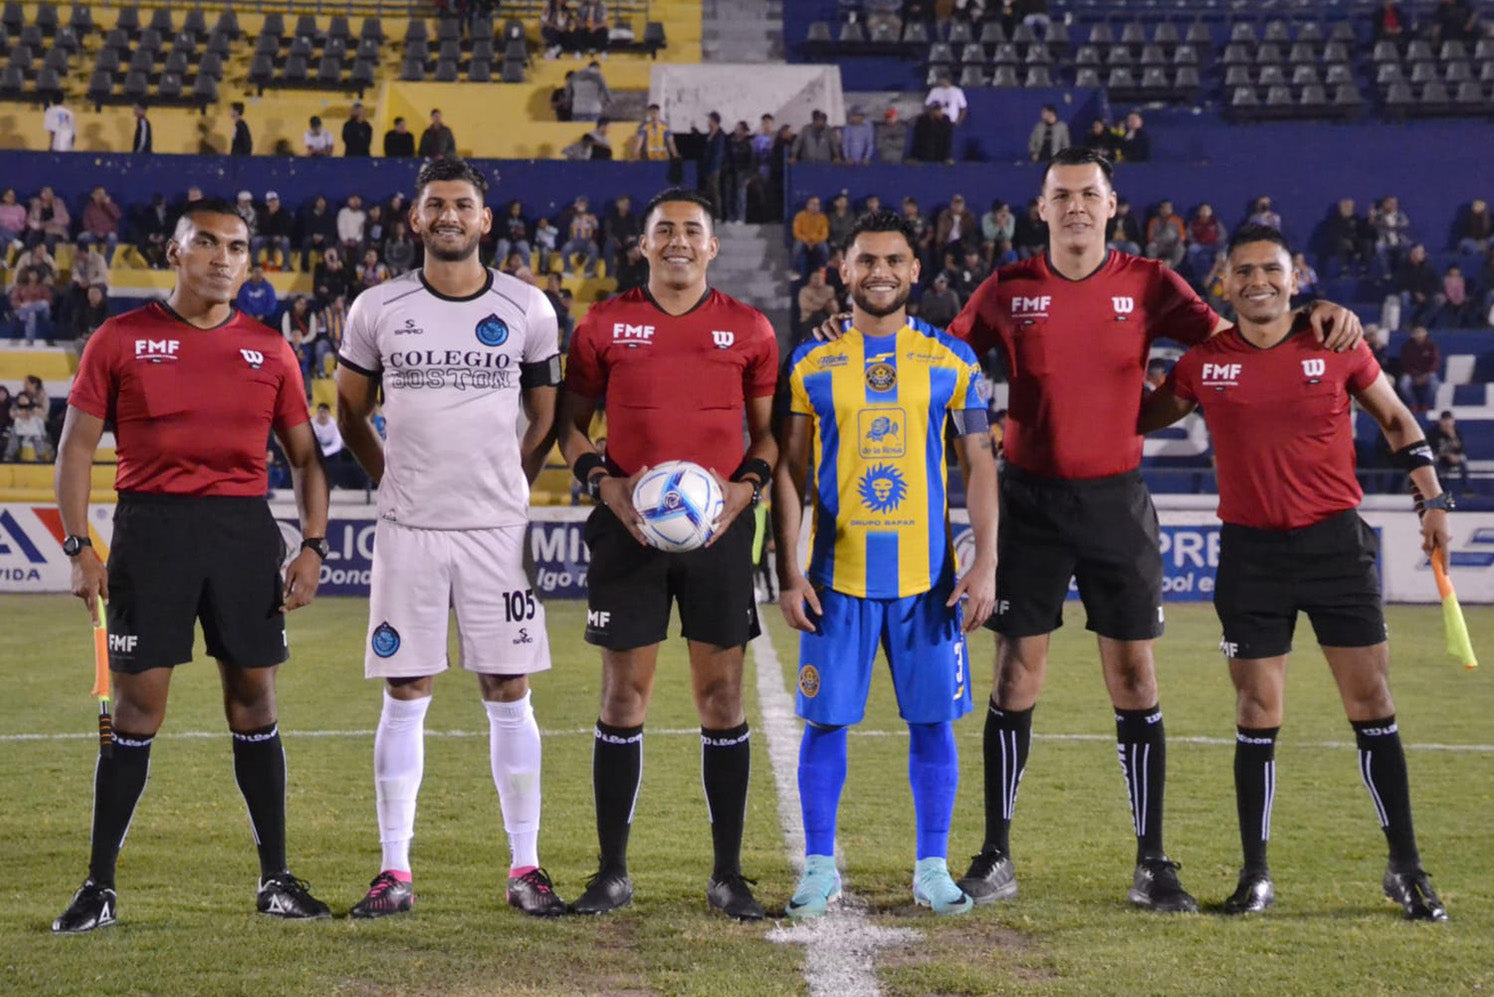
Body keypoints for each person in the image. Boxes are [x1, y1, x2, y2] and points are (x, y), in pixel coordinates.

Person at [844, 147, 1363, 912]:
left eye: (1090, 193)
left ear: (1111, 204)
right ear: (1042, 206)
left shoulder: (1150, 283)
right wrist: (854, 325)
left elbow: (1245, 333)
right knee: (1017, 674)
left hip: (1117, 503)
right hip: (1029, 504)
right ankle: (995, 855)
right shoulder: (1010, 287)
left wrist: (1316, 310)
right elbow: (937, 357)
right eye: (1063, 195)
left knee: (1135, 678)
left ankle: (1152, 862)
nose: (1077, 205)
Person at [1140, 224, 1450, 922]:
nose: (1258, 282)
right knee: (1256, 711)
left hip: (1335, 548)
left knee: (1371, 701)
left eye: (1271, 270)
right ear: (1225, 282)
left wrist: (1432, 496)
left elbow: (1398, 421)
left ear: (1295, 274)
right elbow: (1136, 416)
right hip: (1250, 555)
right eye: (1243, 271)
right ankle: (1256, 875)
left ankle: (1407, 867)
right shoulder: (1203, 364)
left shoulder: (1335, 341)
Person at [50, 197, 331, 934]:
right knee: (139, 709)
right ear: (174, 253)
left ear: (248, 263)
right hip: (151, 532)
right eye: (204, 243)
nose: (220, 257)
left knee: (255, 702)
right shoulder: (120, 338)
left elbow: (305, 457)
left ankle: (276, 878)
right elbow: (75, 449)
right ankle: (99, 887)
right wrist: (80, 547)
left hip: (243, 535)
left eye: (235, 247)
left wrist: (313, 544)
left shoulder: (270, 349)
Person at [334, 159, 566, 918]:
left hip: (499, 534)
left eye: (462, 204)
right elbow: (349, 411)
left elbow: (546, 415)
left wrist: (511, 478)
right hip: (409, 530)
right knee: (406, 690)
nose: (449, 216)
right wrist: (388, 477)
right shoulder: (378, 306)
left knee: (509, 689)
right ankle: (393, 870)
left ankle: (526, 864)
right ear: (415, 219)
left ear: (485, 219)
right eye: (435, 204)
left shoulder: (528, 306)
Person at [557, 188, 778, 920]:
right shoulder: (604, 324)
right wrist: (607, 486)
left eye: (692, 231)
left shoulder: (748, 329)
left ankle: (728, 875)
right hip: (627, 532)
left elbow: (770, 436)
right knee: (624, 696)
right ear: (643, 245)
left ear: (712, 246)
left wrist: (744, 492)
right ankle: (612, 872)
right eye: (664, 231)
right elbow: (571, 427)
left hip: (718, 536)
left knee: (722, 698)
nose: (678, 241)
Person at [774, 210, 997, 919]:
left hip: (926, 586)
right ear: (843, 270)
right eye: (866, 259)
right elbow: (789, 471)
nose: (880, 271)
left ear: (914, 270)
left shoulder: (953, 360)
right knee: (826, 723)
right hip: (835, 581)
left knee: (934, 724)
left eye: (893, 260)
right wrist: (789, 569)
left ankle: (932, 868)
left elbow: (981, 465)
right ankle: (818, 867)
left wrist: (985, 562)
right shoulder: (811, 363)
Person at [1396, 325, 1441, 411]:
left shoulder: (1431, 346)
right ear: (1413, 335)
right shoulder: (1407, 346)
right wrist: (1415, 375)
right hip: (1412, 374)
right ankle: (1413, 404)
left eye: (1421, 333)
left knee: (1435, 385)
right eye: (1417, 333)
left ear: (1425, 334)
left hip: (1428, 373)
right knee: (1403, 384)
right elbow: (1405, 363)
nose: (1419, 336)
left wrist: (1426, 375)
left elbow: (1435, 362)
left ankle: (1426, 405)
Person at [1428, 409, 1470, 495]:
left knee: (1463, 460)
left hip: (1452, 459)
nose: (1447, 423)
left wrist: (1452, 436)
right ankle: (1438, 490)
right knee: (1436, 463)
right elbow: (1431, 450)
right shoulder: (1433, 433)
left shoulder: (1456, 433)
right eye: (1445, 420)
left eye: (1449, 420)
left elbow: (1460, 450)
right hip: (1439, 458)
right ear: (1440, 421)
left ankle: (1466, 489)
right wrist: (1446, 455)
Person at [77, 187, 123, 266]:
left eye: (103, 194)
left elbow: (118, 217)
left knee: (113, 237)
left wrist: (108, 204)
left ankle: (106, 263)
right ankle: (87, 261)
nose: (101, 196)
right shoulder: (89, 208)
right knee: (82, 237)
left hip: (108, 234)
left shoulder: (110, 206)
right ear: (93, 196)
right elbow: (86, 225)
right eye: (99, 194)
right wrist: (96, 232)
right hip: (94, 234)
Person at [3, 389, 53, 461]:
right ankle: (9, 456)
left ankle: (40, 456)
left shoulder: (35, 407)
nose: (23, 400)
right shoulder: (14, 407)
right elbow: (12, 415)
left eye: (24, 398)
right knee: (14, 437)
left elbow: (45, 418)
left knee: (37, 438)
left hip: (34, 431)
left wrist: (35, 413)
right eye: (21, 399)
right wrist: (20, 414)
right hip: (18, 430)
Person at [9, 268, 52, 342]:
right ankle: (30, 340)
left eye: (35, 274)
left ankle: (27, 310)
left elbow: (48, 301)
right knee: (31, 314)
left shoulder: (42, 287)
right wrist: (22, 305)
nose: (33, 275)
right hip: (22, 308)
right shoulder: (20, 287)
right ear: (27, 275)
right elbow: (14, 301)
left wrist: (31, 306)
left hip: (40, 311)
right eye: (31, 273)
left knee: (44, 304)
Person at [792, 195, 830, 276]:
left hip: (817, 241)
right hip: (803, 241)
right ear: (807, 205)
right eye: (813, 204)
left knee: (824, 247)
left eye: (817, 204)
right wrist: (807, 241)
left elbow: (824, 234)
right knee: (797, 246)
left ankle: (824, 269)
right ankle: (796, 271)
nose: (815, 206)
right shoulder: (800, 216)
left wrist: (813, 241)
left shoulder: (822, 217)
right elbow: (796, 232)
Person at [699, 112, 727, 217]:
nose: (708, 122)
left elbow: (718, 153)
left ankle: (718, 214)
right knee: (708, 191)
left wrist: (714, 167)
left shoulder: (719, 135)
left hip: (714, 167)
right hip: (707, 167)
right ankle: (710, 213)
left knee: (714, 191)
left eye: (710, 120)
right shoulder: (710, 134)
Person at [909, 101, 954, 165]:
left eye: (939, 109)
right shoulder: (922, 120)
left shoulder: (945, 120)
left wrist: (947, 157)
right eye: (936, 110)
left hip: (939, 156)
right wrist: (914, 157)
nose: (938, 111)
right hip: (924, 156)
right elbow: (917, 139)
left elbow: (947, 140)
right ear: (931, 111)